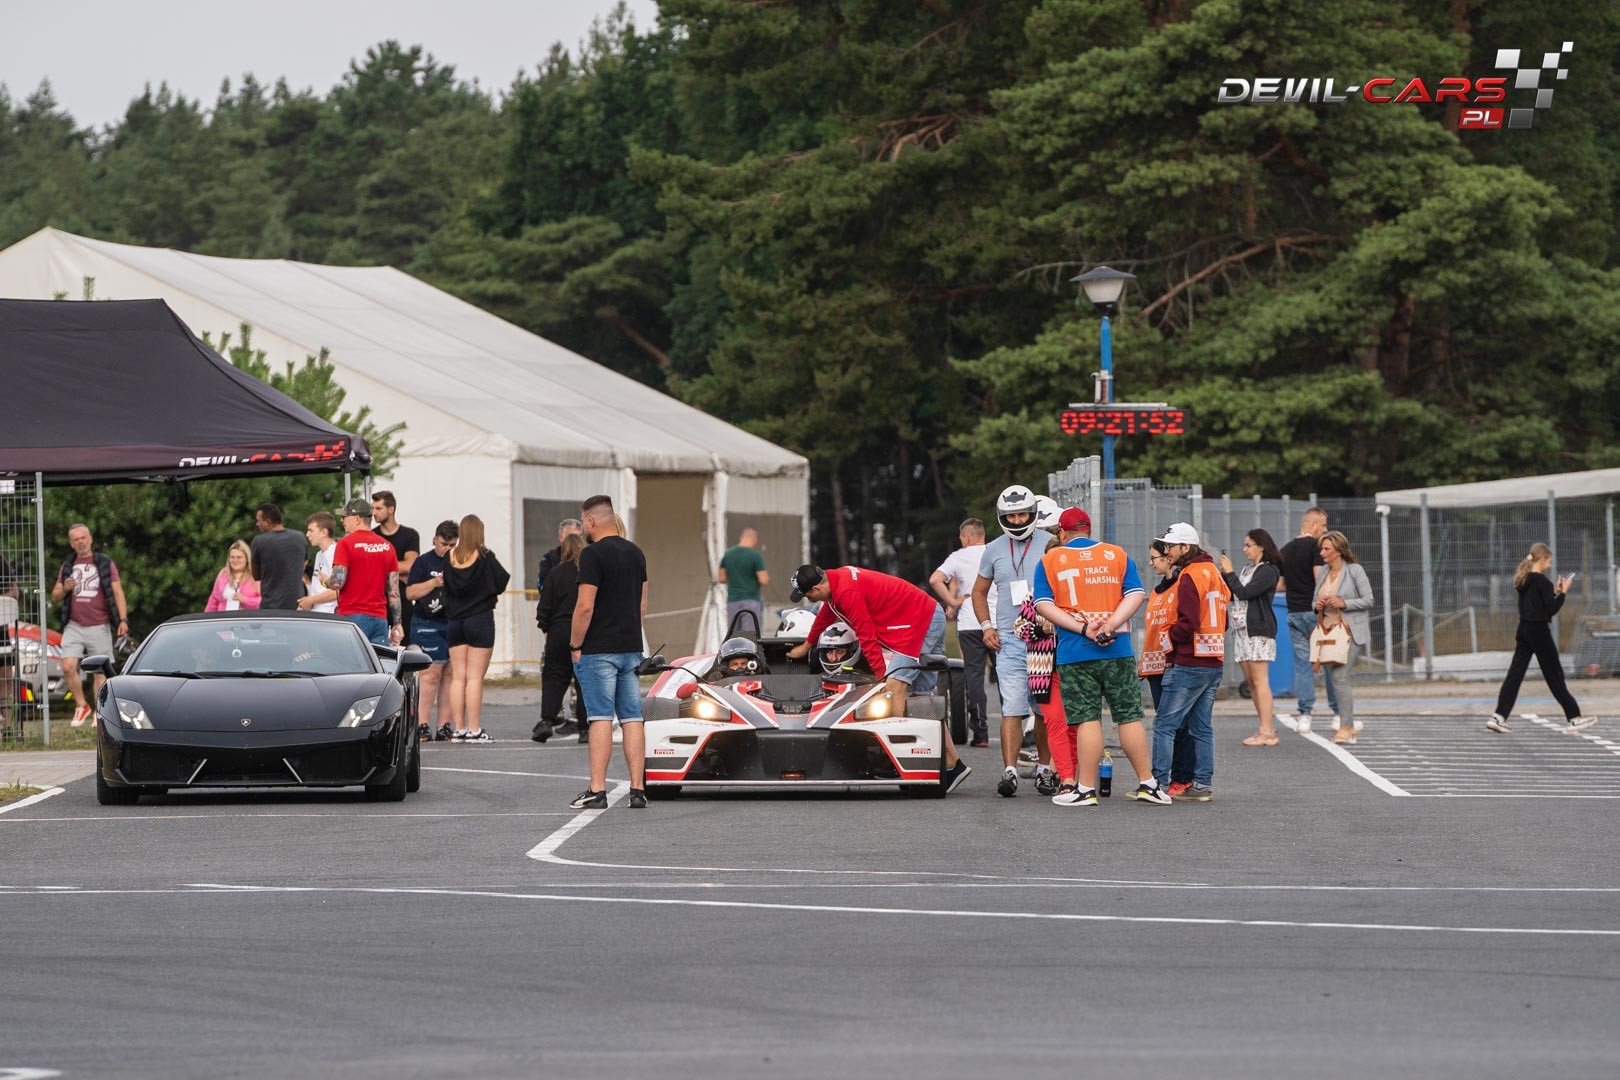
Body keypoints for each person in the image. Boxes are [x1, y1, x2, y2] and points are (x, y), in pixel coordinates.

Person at [785, 563, 969, 791]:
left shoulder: (847, 592)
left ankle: (895, 762)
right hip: (925, 613)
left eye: (807, 595)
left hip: (919, 619)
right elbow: (826, 615)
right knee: (920, 698)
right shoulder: (835, 581)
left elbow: (866, 635)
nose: (809, 599)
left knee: (894, 688)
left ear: (816, 589)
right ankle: (953, 764)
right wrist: (806, 646)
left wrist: (881, 676)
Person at [1032, 508, 1161, 806]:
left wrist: (1082, 627)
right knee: (1128, 716)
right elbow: (1135, 594)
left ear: (1062, 533)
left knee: (1087, 719)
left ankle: (1085, 789)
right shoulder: (1116, 554)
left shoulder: (1049, 560)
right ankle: (1148, 783)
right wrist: (1111, 624)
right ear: (1089, 530)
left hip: (1075, 651)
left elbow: (1043, 605)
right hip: (1117, 648)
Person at [970, 485, 1054, 797]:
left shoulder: (1050, 543)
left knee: (1043, 709)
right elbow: (978, 592)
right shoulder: (992, 549)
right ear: (1002, 517)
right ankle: (1010, 772)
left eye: (1022, 515)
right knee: (1012, 708)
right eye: (1011, 516)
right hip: (1008, 638)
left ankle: (1045, 770)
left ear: (1032, 514)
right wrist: (986, 626)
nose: (1017, 521)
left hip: (1045, 639)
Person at [568, 495, 651, 810]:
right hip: (630, 646)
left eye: (584, 522)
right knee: (632, 717)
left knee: (600, 717)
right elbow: (642, 604)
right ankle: (638, 789)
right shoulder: (636, 552)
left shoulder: (591, 554)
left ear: (590, 521)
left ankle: (597, 789)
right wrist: (631, 635)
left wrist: (575, 644)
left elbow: (585, 606)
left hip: (598, 648)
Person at [1149, 523, 1230, 801]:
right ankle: (1202, 785)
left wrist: (1169, 636)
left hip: (1190, 660)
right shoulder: (1214, 573)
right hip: (1213, 660)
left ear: (1186, 547)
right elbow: (1224, 621)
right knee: (1201, 728)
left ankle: (1157, 785)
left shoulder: (1189, 575)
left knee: (1164, 725)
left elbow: (1189, 622)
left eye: (1171, 547)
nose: (1167, 552)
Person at [1488, 543, 1598, 734]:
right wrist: (1563, 593)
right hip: (1539, 631)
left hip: (1524, 630)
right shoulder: (1542, 582)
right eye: (1549, 561)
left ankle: (1498, 716)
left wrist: (1554, 592)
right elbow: (1551, 609)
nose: (1550, 564)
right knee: (1554, 674)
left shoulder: (1524, 580)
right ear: (1542, 559)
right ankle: (1574, 718)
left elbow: (1537, 601)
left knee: (1515, 675)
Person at [51, 523, 128, 727]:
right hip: (74, 625)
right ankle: (81, 705)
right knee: (68, 666)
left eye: (83, 537)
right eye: (76, 539)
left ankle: (99, 711)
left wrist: (123, 619)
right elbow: (55, 596)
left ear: (90, 539)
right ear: (71, 543)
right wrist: (65, 588)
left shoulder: (104, 562)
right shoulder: (68, 565)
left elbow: (118, 591)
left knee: (100, 672)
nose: (80, 542)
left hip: (99, 624)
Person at [442, 514, 510, 743]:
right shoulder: (485, 556)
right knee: (474, 678)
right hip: (479, 619)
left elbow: (447, 586)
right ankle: (474, 729)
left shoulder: (450, 556)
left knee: (458, 677)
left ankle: (459, 728)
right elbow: (501, 581)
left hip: (455, 622)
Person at [299, 498, 401, 646]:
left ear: (357, 519)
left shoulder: (346, 544)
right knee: (375, 659)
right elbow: (394, 591)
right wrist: (397, 623)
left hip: (352, 617)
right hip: (380, 618)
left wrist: (324, 581)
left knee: (348, 660)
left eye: (345, 516)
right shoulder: (387, 546)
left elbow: (337, 583)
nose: (342, 520)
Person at [1140, 539, 1196, 791]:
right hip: (1155, 666)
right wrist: (1145, 661)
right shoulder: (1156, 591)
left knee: (1180, 724)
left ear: (1168, 557)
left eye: (1155, 557)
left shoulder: (1182, 584)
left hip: (1173, 663)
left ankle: (1182, 778)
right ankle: (1168, 777)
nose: (1151, 563)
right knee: (1165, 723)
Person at [928, 518, 989, 746]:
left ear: (966, 537)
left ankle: (980, 733)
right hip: (997, 622)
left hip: (970, 623)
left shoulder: (958, 557)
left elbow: (935, 579)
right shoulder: (995, 552)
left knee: (974, 677)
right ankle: (1014, 727)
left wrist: (953, 602)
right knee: (1006, 676)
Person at [1220, 529, 1284, 747]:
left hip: (1259, 630)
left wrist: (1230, 573)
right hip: (1242, 630)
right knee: (1251, 682)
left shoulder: (1268, 571)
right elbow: (1234, 593)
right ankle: (1264, 727)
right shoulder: (1247, 569)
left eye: (1248, 545)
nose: (1244, 549)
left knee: (1260, 680)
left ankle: (1268, 731)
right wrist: (1225, 576)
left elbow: (1245, 593)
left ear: (1261, 546)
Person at [1275, 507, 1336, 733]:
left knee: (1303, 665)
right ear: (1312, 525)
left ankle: (1305, 715)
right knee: (1330, 662)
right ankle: (1338, 714)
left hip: (1293, 613)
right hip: (1315, 612)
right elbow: (1319, 579)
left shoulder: (1285, 550)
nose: (1325, 530)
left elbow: (1280, 585)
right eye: (1323, 525)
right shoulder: (1315, 547)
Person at [1313, 530, 1375, 744]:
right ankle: (1347, 724)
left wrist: (1344, 603)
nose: (1322, 553)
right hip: (1329, 632)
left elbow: (1369, 599)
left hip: (1350, 631)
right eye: (1321, 549)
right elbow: (1314, 601)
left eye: (1326, 549)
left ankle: (1346, 726)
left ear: (1338, 550)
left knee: (1340, 677)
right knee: (1336, 678)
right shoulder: (1323, 572)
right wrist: (1317, 605)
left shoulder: (1355, 570)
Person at [406, 520, 458, 742]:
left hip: (453, 621)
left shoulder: (459, 561)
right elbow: (410, 593)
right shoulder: (423, 561)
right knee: (431, 673)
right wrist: (434, 583)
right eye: (444, 544)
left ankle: (444, 725)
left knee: (451, 674)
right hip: (427, 622)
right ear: (435, 539)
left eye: (452, 545)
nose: (447, 549)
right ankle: (422, 724)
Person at [535, 530, 587, 744]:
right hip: (584, 631)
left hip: (558, 629)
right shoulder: (588, 573)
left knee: (554, 677)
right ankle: (585, 728)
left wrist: (546, 627)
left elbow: (544, 606)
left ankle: (547, 720)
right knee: (584, 680)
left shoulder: (556, 573)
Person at [372, 492, 420, 645]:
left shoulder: (409, 535)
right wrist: (397, 571)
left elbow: (410, 565)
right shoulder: (372, 536)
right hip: (377, 602)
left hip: (403, 601)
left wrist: (382, 567)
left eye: (379, 508)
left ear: (391, 509)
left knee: (403, 646)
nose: (374, 513)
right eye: (373, 508)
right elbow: (370, 568)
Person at [251, 502, 309, 611]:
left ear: (268, 522)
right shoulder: (300, 537)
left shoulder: (259, 541)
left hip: (271, 606)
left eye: (258, 521)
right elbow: (304, 563)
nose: (257, 524)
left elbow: (256, 575)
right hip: (297, 604)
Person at [719, 528, 772, 635]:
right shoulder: (755, 556)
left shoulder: (728, 554)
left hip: (733, 601)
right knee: (750, 636)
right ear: (753, 538)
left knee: (734, 636)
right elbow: (763, 580)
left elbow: (721, 578)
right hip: (751, 601)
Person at [205, 540, 262, 612]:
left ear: (247, 559)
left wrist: (244, 599)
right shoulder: (223, 574)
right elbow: (214, 600)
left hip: (248, 618)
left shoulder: (255, 575)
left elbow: (262, 601)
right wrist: (206, 616)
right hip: (224, 617)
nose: (235, 560)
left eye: (239, 557)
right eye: (232, 557)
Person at [304, 512, 339, 614]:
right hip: (318, 612)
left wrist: (311, 600)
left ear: (324, 532)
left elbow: (338, 591)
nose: (307, 534)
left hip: (330, 614)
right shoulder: (319, 554)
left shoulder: (336, 553)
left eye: (311, 530)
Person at [536, 518, 583, 594]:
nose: (575, 542)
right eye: (570, 537)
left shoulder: (588, 558)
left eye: (579, 537)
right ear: (560, 537)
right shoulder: (548, 559)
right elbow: (542, 587)